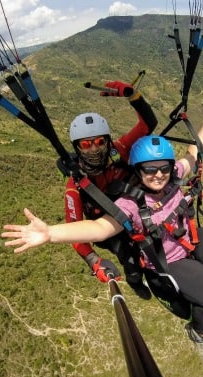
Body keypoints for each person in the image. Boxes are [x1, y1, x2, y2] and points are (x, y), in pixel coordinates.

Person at [2, 108, 203, 361]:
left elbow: (192, 154)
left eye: (162, 168)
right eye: (149, 170)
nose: (157, 175)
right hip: (167, 258)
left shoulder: (173, 175)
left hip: (189, 237)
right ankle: (199, 333)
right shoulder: (129, 204)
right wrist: (50, 233)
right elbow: (100, 228)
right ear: (137, 171)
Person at [61, 80, 157, 299]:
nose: (94, 148)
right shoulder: (75, 185)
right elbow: (73, 232)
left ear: (107, 141)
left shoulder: (119, 150)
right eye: (86, 144)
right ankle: (134, 279)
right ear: (77, 147)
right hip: (106, 225)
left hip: (131, 210)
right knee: (128, 253)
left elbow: (147, 124)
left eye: (98, 142)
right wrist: (94, 261)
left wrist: (134, 96)